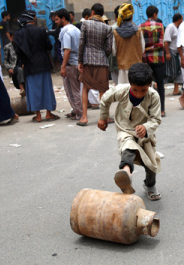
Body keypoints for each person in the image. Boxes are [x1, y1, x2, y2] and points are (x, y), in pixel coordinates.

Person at [98, 63, 162, 201]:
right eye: (135, 90)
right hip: (125, 128)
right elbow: (105, 99)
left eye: (143, 90)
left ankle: (150, 186)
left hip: (144, 134)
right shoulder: (121, 90)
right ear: (130, 83)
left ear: (150, 85)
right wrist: (103, 118)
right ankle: (126, 173)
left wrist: (146, 127)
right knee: (128, 147)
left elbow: (156, 119)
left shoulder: (154, 96)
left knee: (151, 164)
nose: (139, 94)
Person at [13, 10, 58, 122]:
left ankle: (38, 116)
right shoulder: (41, 30)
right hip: (43, 63)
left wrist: (22, 62)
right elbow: (49, 46)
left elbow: (17, 51)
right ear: (33, 19)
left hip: (29, 65)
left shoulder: (19, 33)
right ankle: (48, 114)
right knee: (46, 88)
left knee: (33, 89)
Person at [77, 3, 112, 126]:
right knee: (102, 89)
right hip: (102, 61)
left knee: (85, 88)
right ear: (102, 14)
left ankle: (84, 117)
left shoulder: (85, 24)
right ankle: (104, 117)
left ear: (92, 12)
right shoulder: (107, 28)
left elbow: (81, 44)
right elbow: (109, 48)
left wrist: (80, 61)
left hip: (87, 60)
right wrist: (102, 55)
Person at [55, 8, 83, 121]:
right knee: (76, 90)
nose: (55, 21)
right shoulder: (76, 30)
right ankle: (77, 110)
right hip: (77, 63)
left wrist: (63, 67)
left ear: (63, 18)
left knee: (72, 91)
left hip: (70, 64)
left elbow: (67, 50)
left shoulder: (66, 32)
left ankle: (79, 113)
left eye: (57, 19)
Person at [139, 6, 166, 117]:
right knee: (160, 85)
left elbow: (140, 45)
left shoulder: (140, 27)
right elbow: (160, 44)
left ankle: (148, 110)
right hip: (158, 59)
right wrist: (153, 47)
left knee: (147, 85)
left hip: (146, 60)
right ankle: (162, 109)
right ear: (155, 14)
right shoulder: (160, 26)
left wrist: (146, 49)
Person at [113, 3, 144, 85]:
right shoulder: (138, 31)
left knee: (123, 93)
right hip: (137, 67)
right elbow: (143, 49)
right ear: (132, 17)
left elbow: (113, 51)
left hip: (122, 68)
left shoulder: (116, 32)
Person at [164, 13, 183, 95]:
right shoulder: (170, 27)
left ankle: (176, 89)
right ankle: (157, 85)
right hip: (171, 52)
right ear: (179, 20)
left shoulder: (178, 28)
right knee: (169, 72)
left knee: (178, 71)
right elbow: (166, 41)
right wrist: (167, 53)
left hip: (176, 54)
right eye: (182, 19)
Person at [109, 5, 120, 85]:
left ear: (115, 15)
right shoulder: (134, 28)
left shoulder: (111, 28)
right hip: (128, 62)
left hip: (114, 61)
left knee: (118, 84)